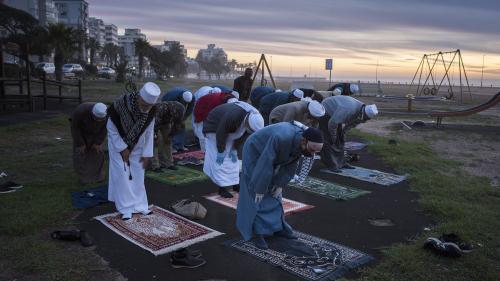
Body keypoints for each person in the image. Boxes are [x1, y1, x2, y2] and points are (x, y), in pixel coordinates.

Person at [236, 122, 324, 249]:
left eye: (316, 152)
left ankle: (277, 227)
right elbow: (265, 163)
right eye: (311, 150)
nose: (312, 155)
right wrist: (259, 188)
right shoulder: (281, 137)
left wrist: (280, 184)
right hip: (255, 150)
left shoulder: (302, 142)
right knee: (254, 191)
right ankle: (257, 232)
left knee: (274, 191)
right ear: (304, 141)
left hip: (270, 154)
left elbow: (291, 164)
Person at [107, 82, 160, 220]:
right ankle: (125, 208)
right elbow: (111, 128)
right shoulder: (120, 105)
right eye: (144, 105)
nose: (146, 108)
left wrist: (147, 154)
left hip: (138, 145)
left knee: (138, 174)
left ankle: (140, 206)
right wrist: (122, 148)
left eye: (149, 106)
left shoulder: (151, 110)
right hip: (117, 142)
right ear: (139, 98)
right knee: (122, 174)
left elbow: (149, 132)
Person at [202, 102, 264, 198]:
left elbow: (243, 136)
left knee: (233, 159)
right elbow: (221, 133)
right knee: (220, 160)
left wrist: (234, 149)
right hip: (214, 129)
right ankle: (222, 188)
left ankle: (235, 183)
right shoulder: (233, 117)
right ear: (247, 123)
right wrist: (221, 152)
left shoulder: (253, 118)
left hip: (229, 131)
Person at [319, 95, 378, 172]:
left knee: (340, 139)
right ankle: (331, 165)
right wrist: (333, 136)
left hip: (336, 113)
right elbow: (332, 123)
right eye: (365, 118)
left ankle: (342, 162)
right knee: (329, 140)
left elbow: (353, 123)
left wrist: (344, 133)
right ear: (364, 113)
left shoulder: (362, 110)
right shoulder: (348, 109)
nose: (365, 120)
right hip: (325, 110)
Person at [70, 102, 108, 184]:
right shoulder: (80, 111)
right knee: (81, 153)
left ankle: (98, 177)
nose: (98, 121)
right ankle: (84, 178)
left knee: (97, 153)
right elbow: (74, 128)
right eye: (96, 119)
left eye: (101, 119)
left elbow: (105, 129)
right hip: (81, 133)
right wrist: (80, 143)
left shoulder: (108, 113)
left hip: (96, 134)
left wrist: (98, 142)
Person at [151, 101, 186, 171]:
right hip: (154, 123)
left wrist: (170, 136)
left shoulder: (180, 110)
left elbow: (177, 125)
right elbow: (154, 126)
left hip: (166, 122)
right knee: (155, 143)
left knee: (168, 141)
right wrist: (155, 137)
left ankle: (168, 163)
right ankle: (155, 166)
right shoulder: (159, 109)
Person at [162, 87, 194, 152]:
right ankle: (172, 146)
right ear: (182, 98)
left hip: (179, 107)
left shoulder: (192, 97)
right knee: (171, 126)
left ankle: (180, 145)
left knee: (182, 125)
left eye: (187, 103)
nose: (186, 104)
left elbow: (190, 109)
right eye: (185, 102)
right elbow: (167, 108)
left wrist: (184, 118)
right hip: (167, 105)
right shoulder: (172, 97)